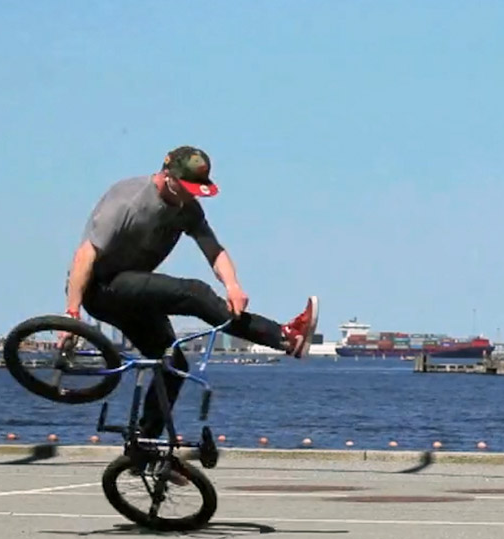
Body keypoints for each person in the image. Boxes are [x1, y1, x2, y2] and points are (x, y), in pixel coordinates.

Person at [63, 145, 318, 443]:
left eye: (196, 190)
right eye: (186, 188)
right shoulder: (128, 201)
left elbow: (214, 250)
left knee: (173, 364)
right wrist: (72, 315)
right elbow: (84, 257)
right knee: (193, 293)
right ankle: (285, 337)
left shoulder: (188, 209)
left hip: (134, 292)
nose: (191, 196)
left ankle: (144, 447)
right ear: (168, 176)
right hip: (102, 287)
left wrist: (233, 285)